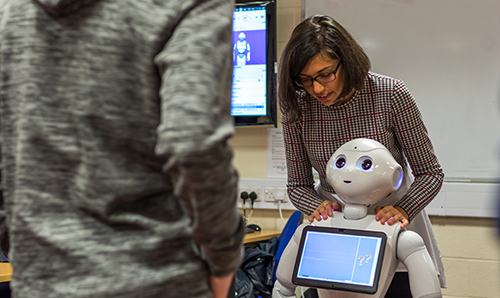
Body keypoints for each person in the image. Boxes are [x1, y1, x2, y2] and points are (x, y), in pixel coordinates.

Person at [0, 0, 244, 297]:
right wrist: (223, 260)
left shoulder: (11, 10)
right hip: (156, 279)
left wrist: (27, 252)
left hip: (41, 280)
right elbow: (193, 143)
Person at [278, 15, 446, 296]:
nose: (317, 89)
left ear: (346, 60)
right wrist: (316, 206)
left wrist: (403, 209)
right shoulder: (299, 109)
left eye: (325, 74)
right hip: (335, 239)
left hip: (390, 228)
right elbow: (297, 186)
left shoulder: (390, 94)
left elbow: (431, 174)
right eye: (305, 80)